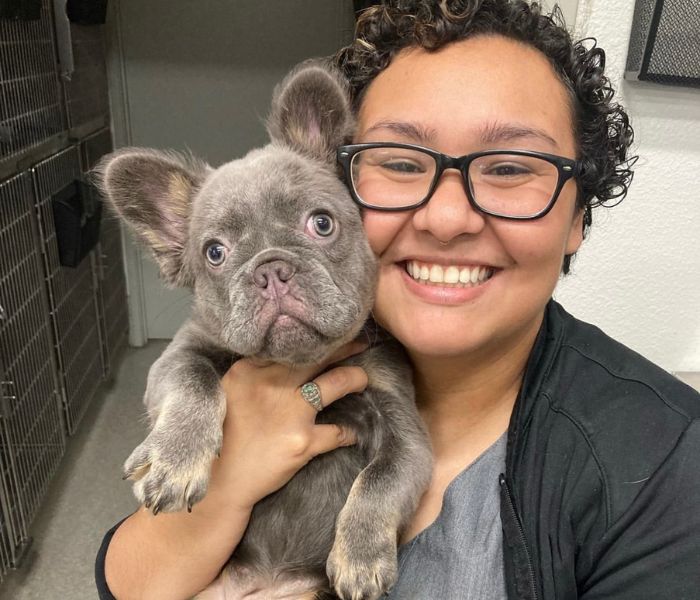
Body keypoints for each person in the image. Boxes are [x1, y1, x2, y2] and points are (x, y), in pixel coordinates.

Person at [96, 1, 700, 598]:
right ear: (348, 174)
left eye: (511, 168)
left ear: (579, 215)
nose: (447, 216)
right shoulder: (246, 369)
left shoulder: (665, 467)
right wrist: (220, 489)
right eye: (402, 163)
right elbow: (127, 580)